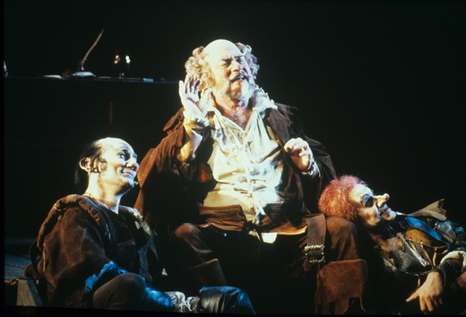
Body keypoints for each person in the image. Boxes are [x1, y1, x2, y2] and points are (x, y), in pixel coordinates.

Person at [134, 39, 365, 314]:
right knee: (184, 235)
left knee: (341, 230)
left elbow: (322, 183)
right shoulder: (194, 120)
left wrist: (306, 166)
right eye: (227, 62)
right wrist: (193, 127)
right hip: (223, 238)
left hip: (286, 229)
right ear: (206, 76)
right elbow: (157, 180)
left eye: (241, 60)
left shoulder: (278, 117)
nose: (238, 66)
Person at [24, 137, 255, 314]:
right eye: (124, 155)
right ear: (90, 164)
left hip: (149, 300)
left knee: (231, 297)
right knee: (129, 284)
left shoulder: (133, 221)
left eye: (135, 157)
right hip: (95, 302)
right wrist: (169, 299)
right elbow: (87, 274)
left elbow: (157, 271)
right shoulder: (74, 213)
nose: (133, 163)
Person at [319, 175, 466, 315]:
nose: (383, 197)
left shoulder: (413, 221)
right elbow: (398, 311)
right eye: (368, 201)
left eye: (374, 194)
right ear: (355, 221)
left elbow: (463, 237)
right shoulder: (371, 268)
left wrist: (440, 272)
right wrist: (457, 285)